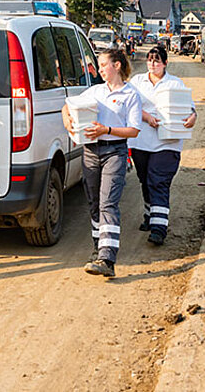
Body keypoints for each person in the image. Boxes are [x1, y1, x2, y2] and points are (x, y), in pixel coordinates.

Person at [62, 49, 141, 278]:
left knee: (108, 203)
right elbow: (67, 106)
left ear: (116, 66)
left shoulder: (130, 95)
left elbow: (134, 130)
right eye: (99, 65)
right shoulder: (95, 91)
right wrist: (67, 120)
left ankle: (107, 258)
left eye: (104, 64)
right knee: (94, 201)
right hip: (90, 151)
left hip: (114, 151)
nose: (100, 69)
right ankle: (98, 249)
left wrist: (106, 130)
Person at [129, 46, 197, 245]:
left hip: (168, 141)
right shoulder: (136, 82)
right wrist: (146, 116)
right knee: (145, 179)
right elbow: (129, 107)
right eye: (150, 60)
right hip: (141, 140)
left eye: (157, 60)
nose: (153, 64)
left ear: (165, 63)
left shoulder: (175, 83)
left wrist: (192, 118)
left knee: (158, 180)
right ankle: (150, 214)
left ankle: (159, 227)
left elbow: (190, 108)